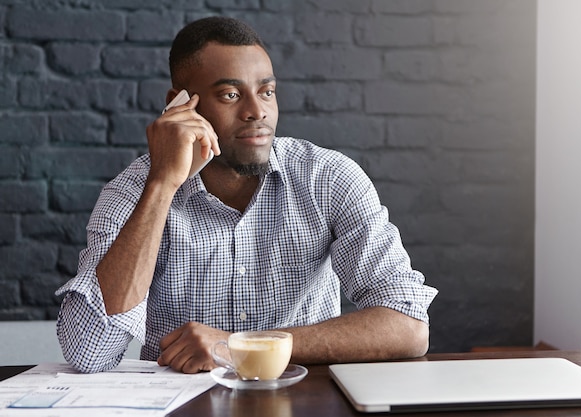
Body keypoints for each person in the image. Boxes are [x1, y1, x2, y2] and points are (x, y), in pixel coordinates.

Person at [55, 16, 437, 374]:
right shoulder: (134, 191)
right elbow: (90, 353)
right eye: (230, 94)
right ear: (180, 103)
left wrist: (242, 346)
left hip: (305, 403)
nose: (257, 112)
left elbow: (408, 327)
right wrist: (161, 186)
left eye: (266, 91)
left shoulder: (328, 179)